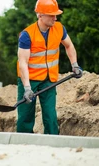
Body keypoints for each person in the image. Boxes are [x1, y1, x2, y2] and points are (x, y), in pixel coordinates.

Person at [16, 0, 82, 135]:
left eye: (55, 14)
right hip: (30, 80)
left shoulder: (59, 28)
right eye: (51, 15)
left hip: (49, 80)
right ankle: (22, 144)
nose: (55, 18)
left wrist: (74, 65)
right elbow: (22, 62)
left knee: (50, 115)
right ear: (40, 15)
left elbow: (69, 45)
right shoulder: (27, 35)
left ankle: (53, 142)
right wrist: (27, 88)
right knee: (25, 117)